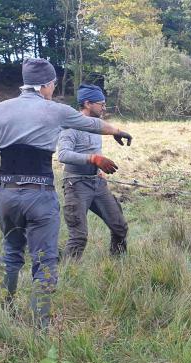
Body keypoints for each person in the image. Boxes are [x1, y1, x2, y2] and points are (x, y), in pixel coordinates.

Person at [0, 58, 133, 329]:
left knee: (11, 252)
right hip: (40, 194)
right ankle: (41, 325)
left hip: (6, 194)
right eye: (54, 86)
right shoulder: (55, 111)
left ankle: (7, 308)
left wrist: (6, 178)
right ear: (47, 84)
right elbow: (94, 125)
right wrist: (118, 131)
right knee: (44, 257)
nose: (54, 90)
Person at [57, 84, 128, 260]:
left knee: (120, 227)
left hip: (97, 183)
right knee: (78, 236)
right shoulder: (71, 128)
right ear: (87, 104)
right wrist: (93, 159)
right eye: (101, 104)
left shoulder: (97, 126)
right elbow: (63, 154)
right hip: (76, 185)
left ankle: (117, 263)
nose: (104, 107)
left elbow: (94, 147)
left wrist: (99, 168)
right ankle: (67, 273)